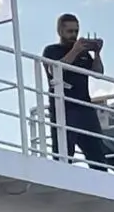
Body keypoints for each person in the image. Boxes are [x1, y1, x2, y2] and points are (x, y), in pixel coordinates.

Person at [41, 13, 108, 170]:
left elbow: (98, 73)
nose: (74, 35)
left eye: (76, 31)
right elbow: (54, 70)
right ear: (60, 31)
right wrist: (75, 50)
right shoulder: (51, 50)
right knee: (64, 155)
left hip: (85, 107)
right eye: (70, 31)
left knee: (97, 155)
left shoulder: (83, 54)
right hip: (64, 108)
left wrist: (97, 53)